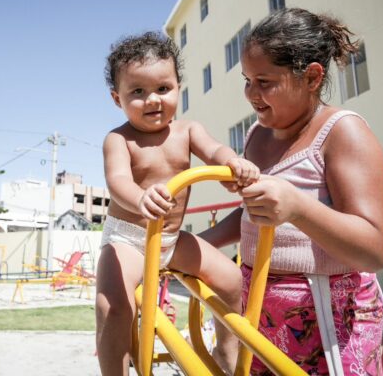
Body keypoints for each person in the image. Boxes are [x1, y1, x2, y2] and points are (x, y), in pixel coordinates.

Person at [200, 8, 383, 375]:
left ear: (311, 77)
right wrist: (193, 242)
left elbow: (374, 249)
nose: (251, 94)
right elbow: (251, 213)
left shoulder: (342, 133)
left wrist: (298, 209)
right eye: (246, 80)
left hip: (329, 324)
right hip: (260, 315)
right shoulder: (257, 136)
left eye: (265, 81)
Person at [96, 32, 260, 375]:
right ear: (117, 98)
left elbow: (215, 151)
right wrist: (141, 198)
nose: (152, 100)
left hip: (171, 238)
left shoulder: (187, 131)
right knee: (112, 306)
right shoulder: (119, 139)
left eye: (162, 89)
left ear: (178, 87)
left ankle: (225, 353)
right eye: (137, 92)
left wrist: (232, 164)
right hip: (129, 238)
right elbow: (118, 182)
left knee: (232, 281)